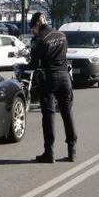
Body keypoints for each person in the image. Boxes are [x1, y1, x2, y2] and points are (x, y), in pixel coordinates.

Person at [25, 12, 77, 163]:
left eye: (32, 29)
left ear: (36, 25)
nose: (32, 32)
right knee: (67, 113)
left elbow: (34, 64)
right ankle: (72, 151)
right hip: (65, 77)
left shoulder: (39, 39)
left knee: (48, 115)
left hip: (49, 78)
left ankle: (49, 153)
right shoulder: (61, 35)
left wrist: (23, 66)